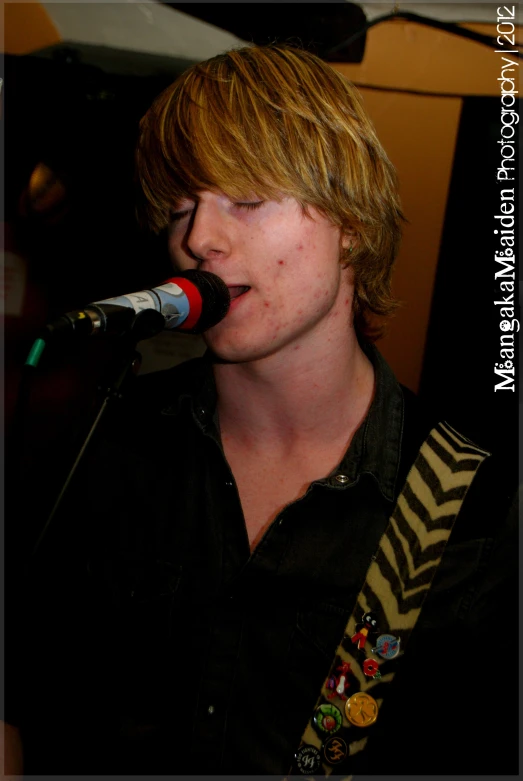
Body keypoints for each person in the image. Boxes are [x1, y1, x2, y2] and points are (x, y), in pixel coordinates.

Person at [5, 44, 518, 777]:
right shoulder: (103, 446)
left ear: (352, 223)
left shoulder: (482, 516)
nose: (196, 238)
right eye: (180, 208)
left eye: (243, 198)